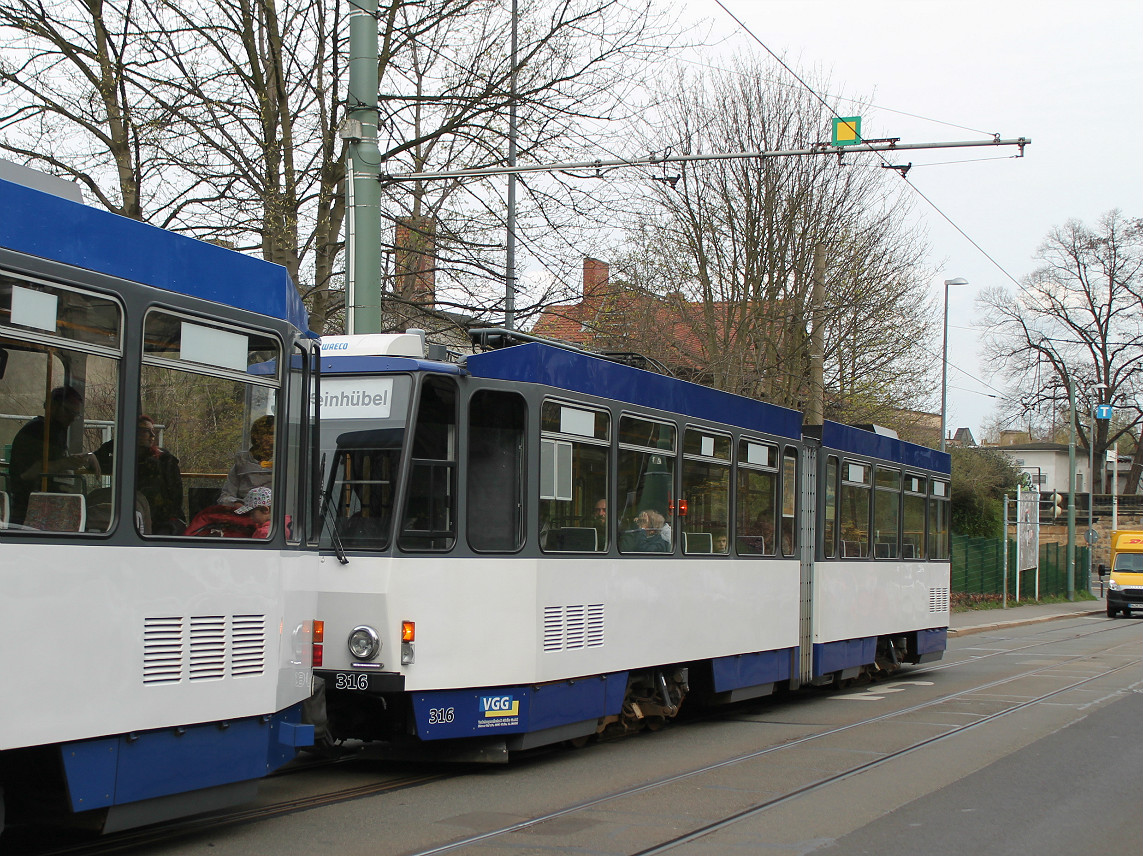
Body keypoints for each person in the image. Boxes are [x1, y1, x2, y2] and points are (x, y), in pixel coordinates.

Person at [7, 386, 98, 525]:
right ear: (52, 406)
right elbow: (26, 474)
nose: (72, 418)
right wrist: (64, 463)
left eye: (76, 414)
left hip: (53, 505)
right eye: (68, 411)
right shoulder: (36, 432)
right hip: (33, 510)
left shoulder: (57, 430)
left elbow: (56, 460)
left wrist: (87, 456)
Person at [95, 414, 185, 534]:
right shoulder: (123, 459)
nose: (152, 436)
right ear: (133, 433)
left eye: (153, 431)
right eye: (146, 431)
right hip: (132, 516)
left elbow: (176, 497)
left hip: (161, 520)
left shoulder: (164, 459)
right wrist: (118, 441)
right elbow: (97, 460)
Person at [219, 414, 274, 506]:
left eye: (272, 434)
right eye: (265, 433)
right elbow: (225, 497)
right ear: (256, 437)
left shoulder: (286, 464)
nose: (269, 438)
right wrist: (236, 503)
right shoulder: (242, 463)